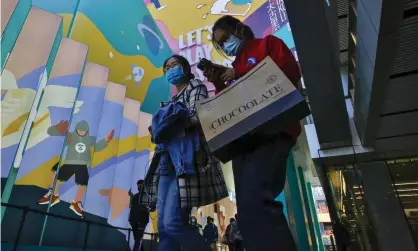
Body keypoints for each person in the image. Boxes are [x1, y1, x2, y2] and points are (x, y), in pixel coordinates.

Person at [204, 15, 301, 251]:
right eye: (221, 42)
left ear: (239, 28)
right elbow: (233, 106)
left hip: (273, 130)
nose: (226, 44)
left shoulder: (268, 44)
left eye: (226, 37)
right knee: (246, 209)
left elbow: (288, 73)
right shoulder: (233, 67)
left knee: (257, 199)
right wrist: (219, 85)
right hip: (244, 140)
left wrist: (240, 74)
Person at [141, 55, 228, 251]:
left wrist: (168, 125)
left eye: (175, 65)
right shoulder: (172, 101)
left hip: (185, 162)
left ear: (187, 68)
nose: (171, 69)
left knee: (173, 223)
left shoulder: (196, 87)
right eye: (167, 67)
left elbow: (198, 116)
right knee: (163, 226)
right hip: (166, 163)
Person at [37, 120, 114, 216]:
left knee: (83, 183)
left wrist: (106, 140)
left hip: (82, 164)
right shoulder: (70, 136)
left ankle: (76, 202)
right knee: (58, 176)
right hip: (70, 162)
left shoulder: (90, 139)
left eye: (84, 131)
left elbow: (97, 147)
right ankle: (54, 195)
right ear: (76, 129)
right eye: (79, 130)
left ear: (87, 131)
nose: (81, 132)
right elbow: (51, 132)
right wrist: (56, 128)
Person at [128, 180, 151, 251]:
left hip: (140, 219)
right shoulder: (136, 196)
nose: (139, 187)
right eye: (138, 185)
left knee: (137, 238)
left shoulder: (147, 196)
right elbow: (130, 206)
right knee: (137, 238)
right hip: (134, 219)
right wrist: (131, 196)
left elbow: (150, 207)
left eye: (140, 185)